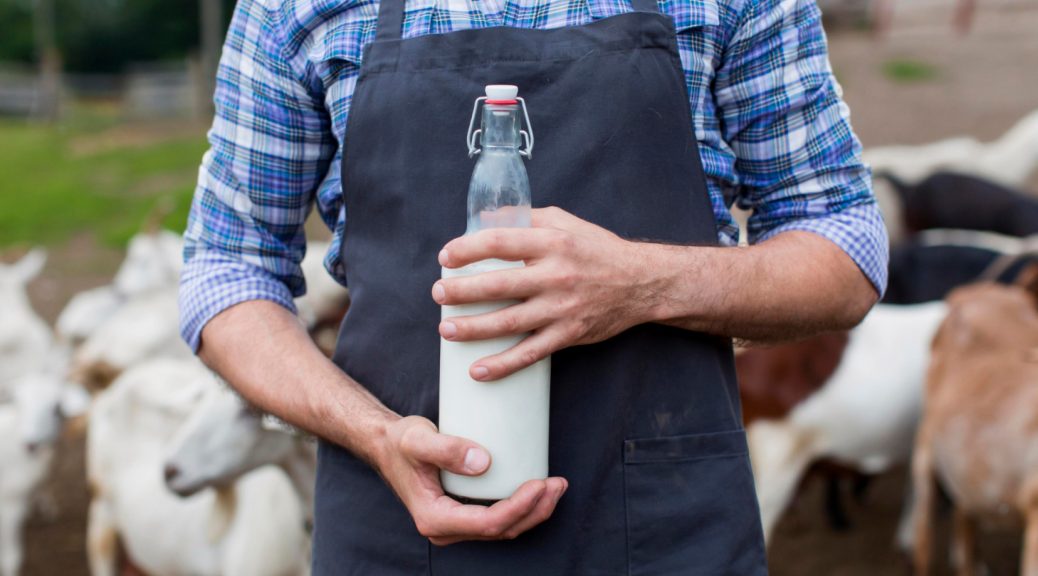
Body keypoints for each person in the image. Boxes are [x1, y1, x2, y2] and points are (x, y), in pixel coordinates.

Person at [179, 0, 887, 573]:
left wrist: (644, 283)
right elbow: (225, 267)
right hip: (395, 535)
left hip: (667, 530)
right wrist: (376, 435)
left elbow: (844, 246)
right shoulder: (291, 9)